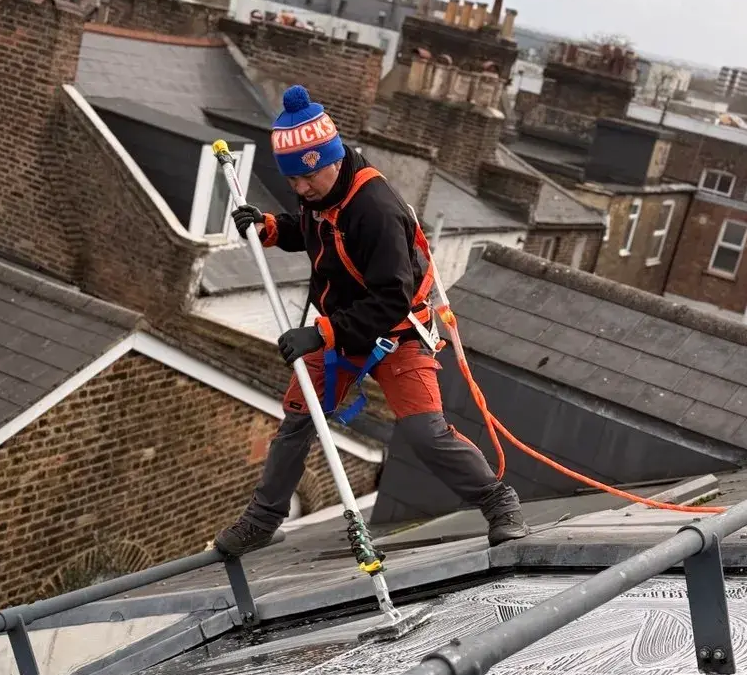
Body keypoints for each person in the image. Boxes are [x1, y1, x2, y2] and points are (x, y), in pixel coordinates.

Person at [214, 85, 527, 558]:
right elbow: (315, 227)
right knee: (299, 421)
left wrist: (320, 333)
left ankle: (499, 504)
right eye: (292, 181)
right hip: (343, 329)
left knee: (425, 432)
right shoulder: (320, 188)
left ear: (333, 159)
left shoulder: (375, 210)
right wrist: (274, 227)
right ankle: (263, 518)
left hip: (398, 333)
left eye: (307, 178)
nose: (300, 189)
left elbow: (390, 298)